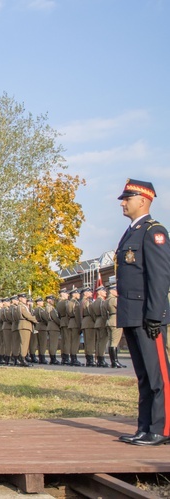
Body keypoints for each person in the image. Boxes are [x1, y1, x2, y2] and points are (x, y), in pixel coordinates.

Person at [114, 179, 170, 446]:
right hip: (131, 313)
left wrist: (155, 315)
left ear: (143, 200)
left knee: (158, 375)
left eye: (127, 198)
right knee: (144, 375)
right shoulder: (131, 232)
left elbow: (160, 277)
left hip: (148, 316)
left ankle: (163, 429)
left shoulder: (153, 231)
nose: (123, 203)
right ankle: (145, 427)